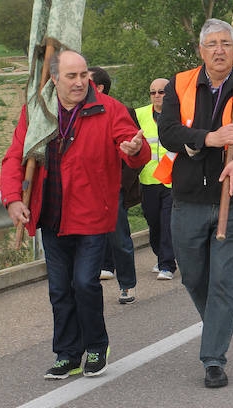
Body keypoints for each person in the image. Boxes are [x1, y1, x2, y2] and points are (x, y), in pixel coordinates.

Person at [2, 50, 149, 379]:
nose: (80, 82)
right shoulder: (37, 112)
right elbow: (14, 157)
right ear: (55, 79)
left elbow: (134, 148)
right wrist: (12, 199)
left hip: (93, 215)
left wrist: (135, 149)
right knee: (59, 289)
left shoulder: (109, 109)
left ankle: (96, 346)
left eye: (84, 75)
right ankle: (67, 354)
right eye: (72, 76)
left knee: (84, 282)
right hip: (52, 216)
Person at [157, 19, 233, 388]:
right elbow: (168, 132)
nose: (219, 50)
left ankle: (213, 359)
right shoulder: (179, 83)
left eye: (226, 43)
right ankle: (219, 324)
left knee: (223, 280)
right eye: (212, 44)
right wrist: (211, 139)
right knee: (192, 275)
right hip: (188, 196)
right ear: (201, 50)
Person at [86, 66, 142, 306]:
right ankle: (87, 286)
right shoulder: (75, 113)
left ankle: (127, 285)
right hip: (85, 189)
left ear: (99, 87)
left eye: (85, 79)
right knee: (86, 239)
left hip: (112, 188)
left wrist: (119, 184)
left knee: (119, 238)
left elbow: (136, 152)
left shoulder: (121, 111)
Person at [134, 78, 177, 281]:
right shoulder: (139, 114)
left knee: (167, 223)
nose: (157, 95)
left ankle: (167, 264)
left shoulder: (179, 113)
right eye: (153, 92)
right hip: (148, 179)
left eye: (162, 91)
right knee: (154, 222)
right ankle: (161, 256)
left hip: (172, 179)